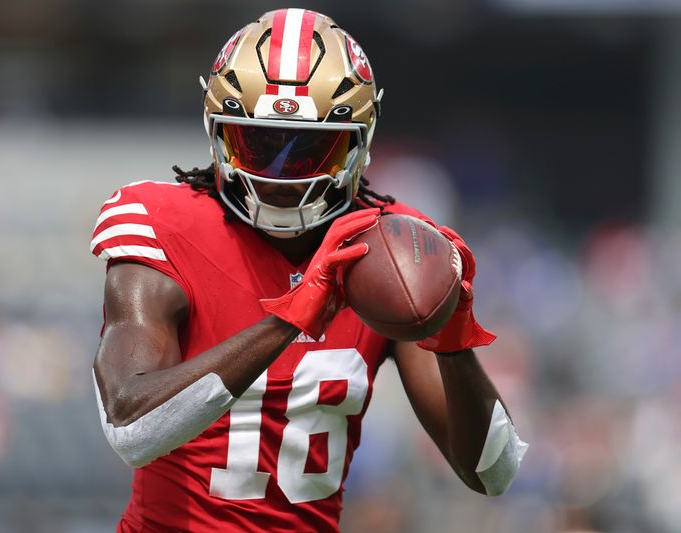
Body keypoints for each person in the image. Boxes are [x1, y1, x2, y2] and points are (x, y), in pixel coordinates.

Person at [90, 9, 527, 532]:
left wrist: (455, 346)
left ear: (357, 144)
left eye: (309, 150)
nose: (280, 176)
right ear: (219, 134)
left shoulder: (387, 250)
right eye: (260, 143)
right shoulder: (163, 224)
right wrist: (287, 321)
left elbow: (494, 474)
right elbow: (131, 430)